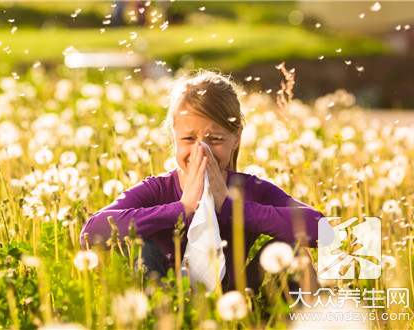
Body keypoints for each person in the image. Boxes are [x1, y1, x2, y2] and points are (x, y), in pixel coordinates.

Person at [80, 70, 324, 292]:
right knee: (145, 250)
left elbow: (323, 231)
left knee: (292, 252)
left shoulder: (248, 189)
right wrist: (182, 208)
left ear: (236, 137)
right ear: (172, 136)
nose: (201, 150)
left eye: (215, 139)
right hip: (165, 298)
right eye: (188, 138)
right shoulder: (156, 190)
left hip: (236, 299)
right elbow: (90, 234)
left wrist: (233, 209)